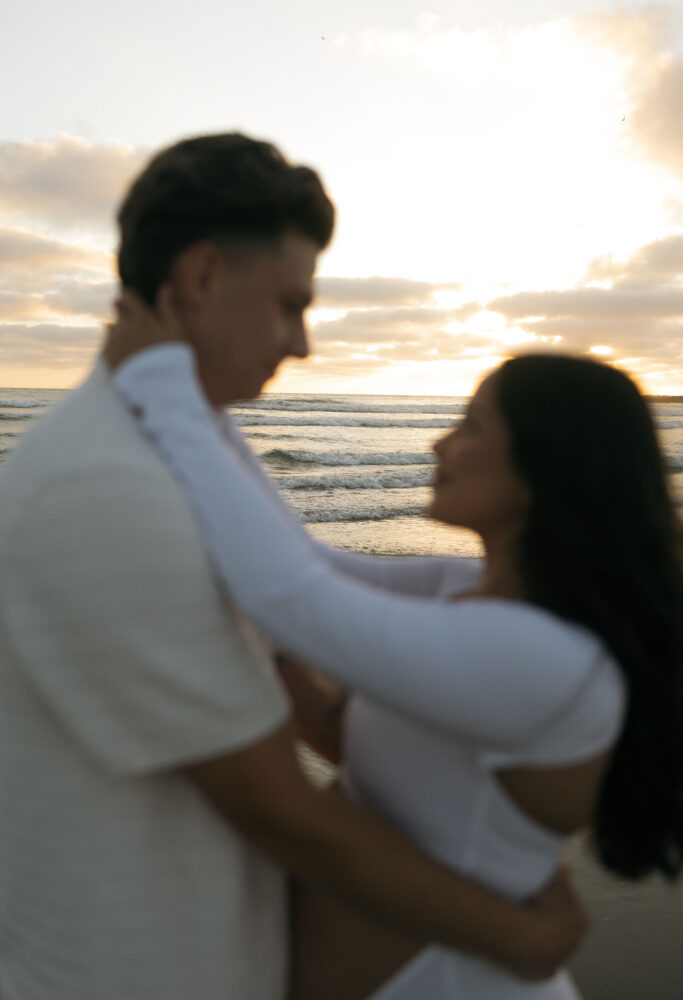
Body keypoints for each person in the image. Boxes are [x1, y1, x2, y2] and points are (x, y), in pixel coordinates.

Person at [0, 133, 584, 1000]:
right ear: (200, 281)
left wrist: (490, 835)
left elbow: (290, 686)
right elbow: (277, 807)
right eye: (288, 304)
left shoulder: (194, 451)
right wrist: (520, 935)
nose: (302, 343)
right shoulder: (108, 487)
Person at [105, 291, 683, 999]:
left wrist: (162, 384)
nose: (438, 445)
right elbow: (300, 559)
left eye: (468, 425)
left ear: (541, 471)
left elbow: (288, 599)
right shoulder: (467, 590)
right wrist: (206, 401)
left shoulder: (545, 659)